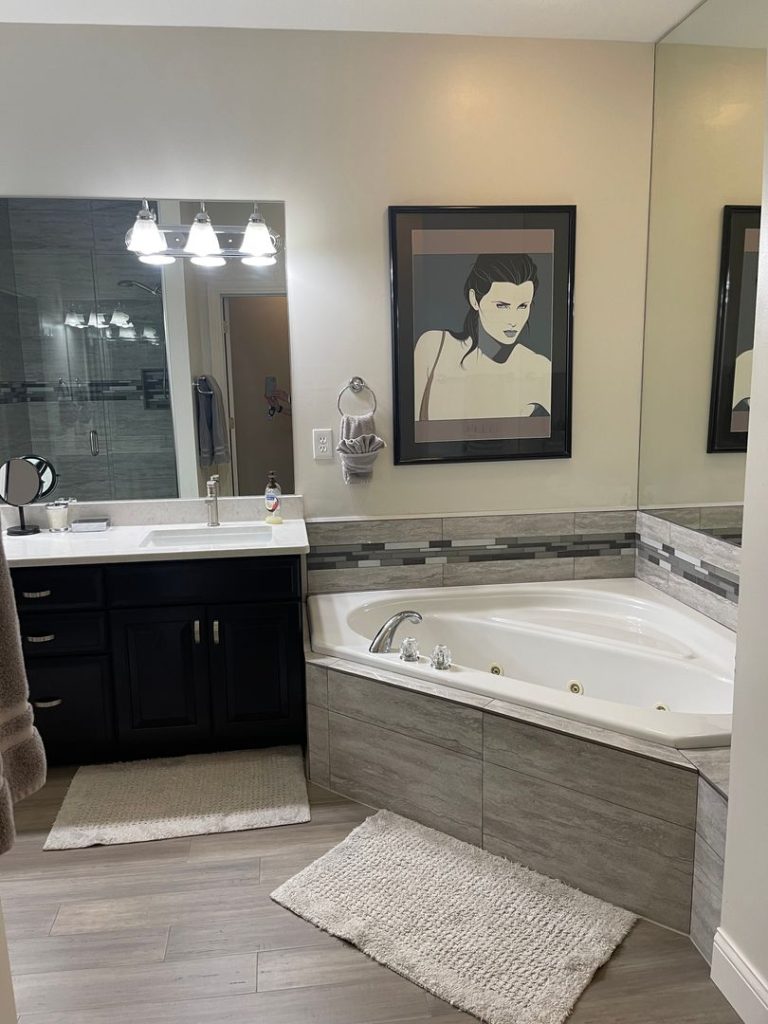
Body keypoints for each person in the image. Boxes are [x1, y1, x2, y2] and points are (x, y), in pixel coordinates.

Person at [414, 253, 551, 422]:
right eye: (502, 306)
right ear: (474, 300)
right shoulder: (434, 346)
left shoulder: (538, 367)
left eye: (523, 306)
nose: (514, 320)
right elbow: (411, 425)